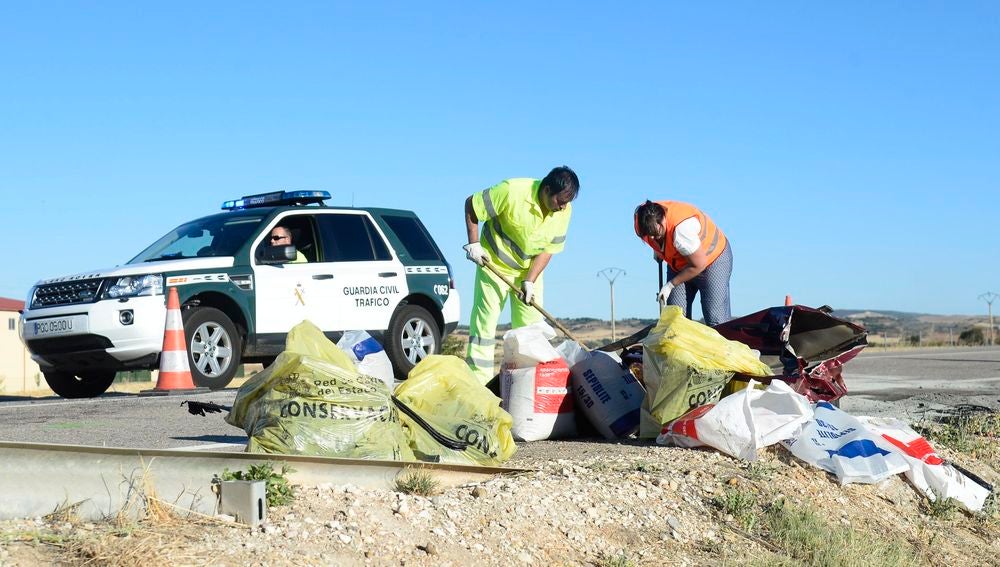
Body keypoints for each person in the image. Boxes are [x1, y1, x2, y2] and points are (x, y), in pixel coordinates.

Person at [463, 166, 580, 383]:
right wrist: (474, 244)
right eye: (560, 201)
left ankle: (524, 384)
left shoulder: (565, 210)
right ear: (546, 189)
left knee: (531, 331)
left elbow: (549, 249)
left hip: (528, 271)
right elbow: (472, 203)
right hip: (494, 265)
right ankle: (478, 384)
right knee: (485, 325)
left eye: (567, 202)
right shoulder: (511, 191)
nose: (563, 207)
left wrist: (529, 281)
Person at [633, 200, 732, 326]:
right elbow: (650, 232)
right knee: (676, 319)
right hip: (679, 263)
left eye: (655, 234)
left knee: (716, 319)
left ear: (662, 220)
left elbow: (698, 265)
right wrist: (658, 248)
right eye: (648, 235)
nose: (651, 238)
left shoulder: (682, 230)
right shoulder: (643, 217)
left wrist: (670, 285)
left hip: (712, 260)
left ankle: (723, 343)